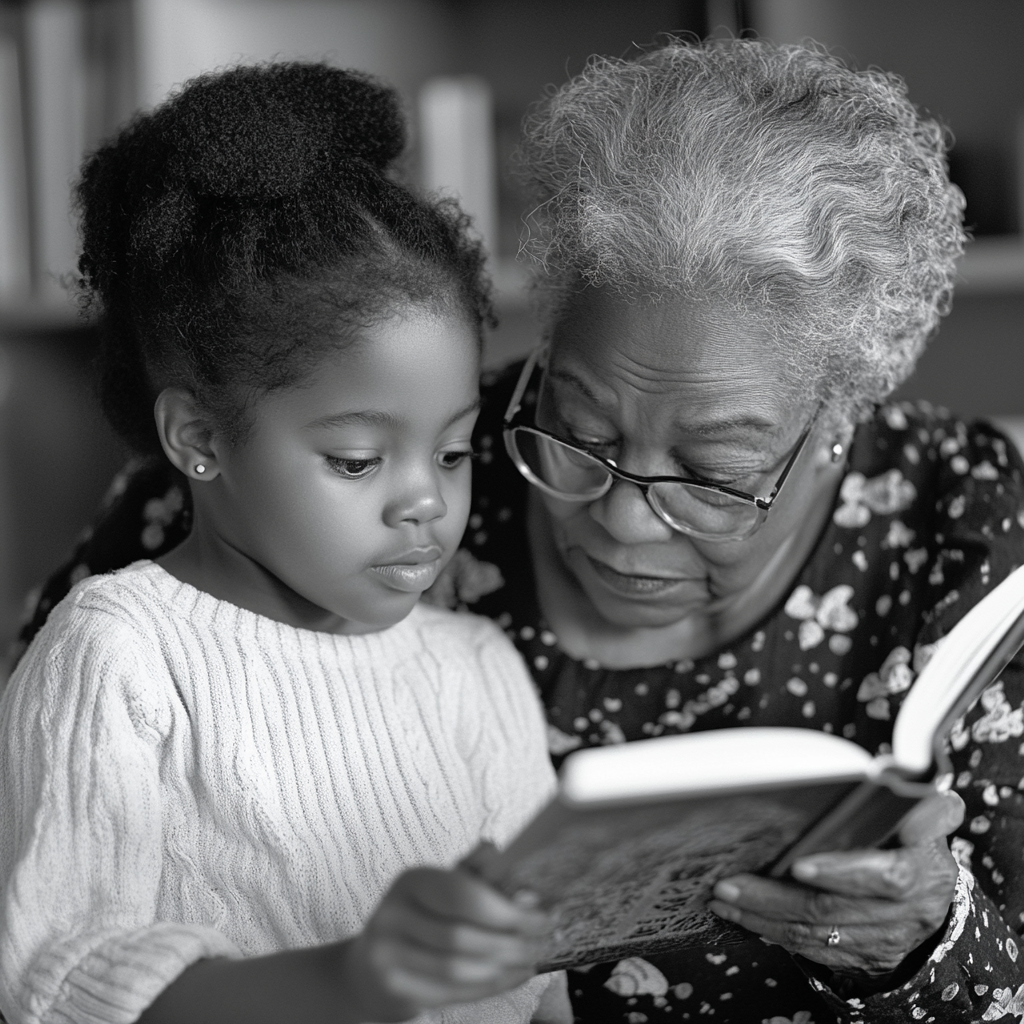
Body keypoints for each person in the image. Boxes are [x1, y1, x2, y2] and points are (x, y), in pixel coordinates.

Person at [13, 38, 1024, 1024]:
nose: (624, 521)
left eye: (714, 473)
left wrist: (925, 932)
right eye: (579, 431)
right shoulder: (324, 444)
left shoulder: (963, 520)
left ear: (840, 418)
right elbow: (49, 937)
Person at [0, 62, 575, 1024]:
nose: (424, 502)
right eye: (357, 460)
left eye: (452, 449)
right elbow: (59, 980)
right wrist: (352, 981)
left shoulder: (478, 672)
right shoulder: (123, 658)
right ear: (200, 439)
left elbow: (541, 984)